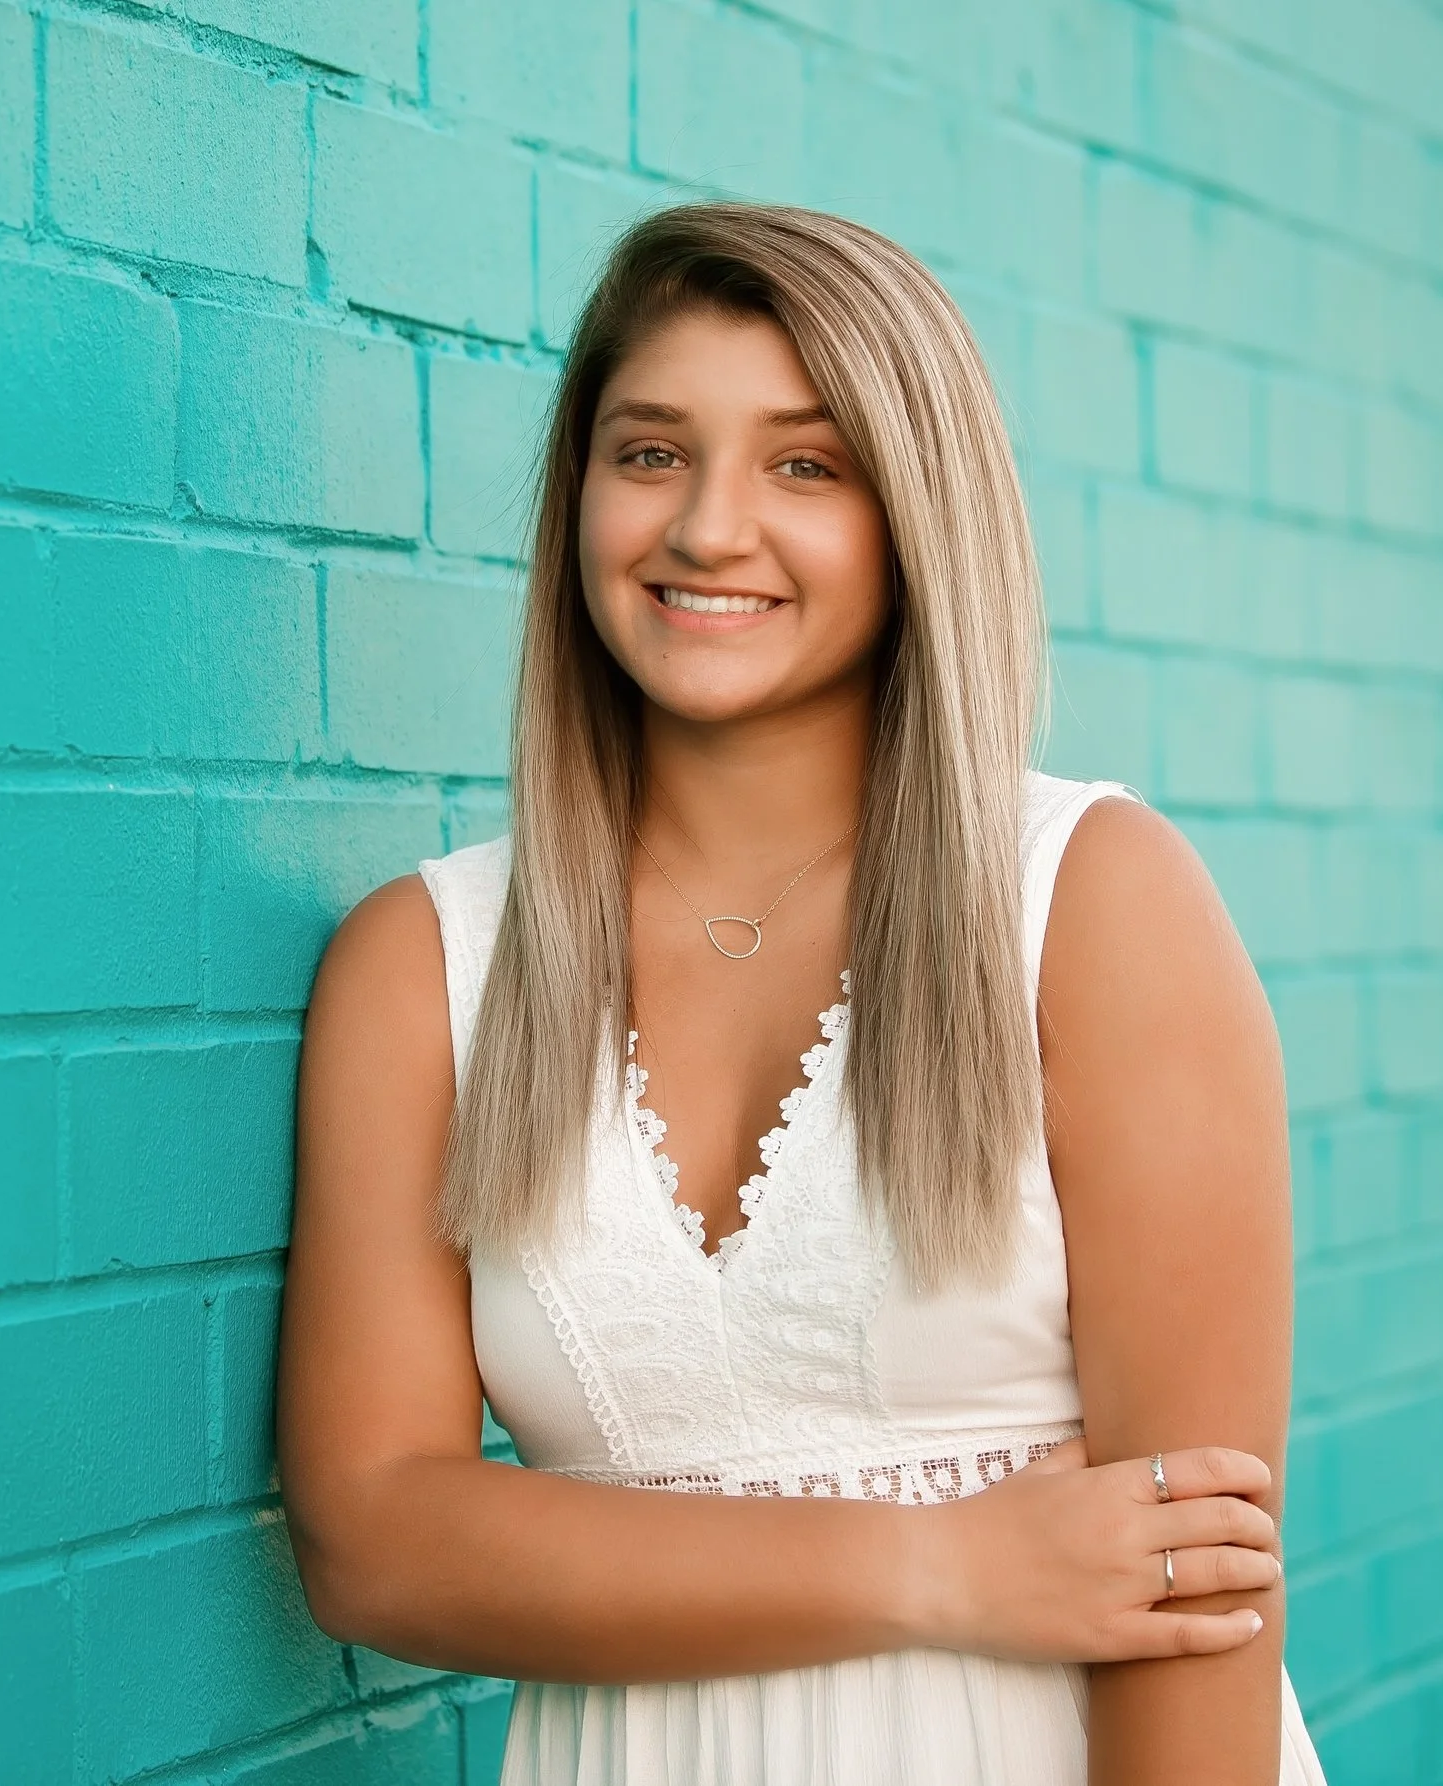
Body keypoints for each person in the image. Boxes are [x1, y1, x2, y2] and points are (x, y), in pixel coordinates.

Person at [277, 201, 1328, 1784]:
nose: (707, 527)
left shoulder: (1088, 900)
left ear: (916, 514)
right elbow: (377, 1539)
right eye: (649, 453)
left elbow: (1194, 1592)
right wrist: (947, 1566)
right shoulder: (422, 964)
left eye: (804, 464)